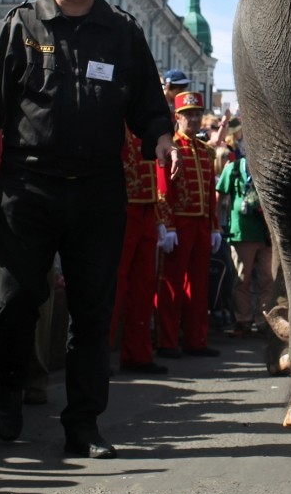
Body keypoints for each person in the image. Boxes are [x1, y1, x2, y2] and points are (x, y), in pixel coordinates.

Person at [0, 0, 175, 460]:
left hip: (98, 191)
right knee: (15, 300)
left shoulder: (122, 33)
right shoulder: (21, 25)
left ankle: (83, 425)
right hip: (27, 188)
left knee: (94, 312)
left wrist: (162, 139)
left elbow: (149, 105)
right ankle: (8, 387)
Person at [156, 90, 220, 359]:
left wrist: (215, 226)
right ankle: (168, 341)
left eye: (196, 115)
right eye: (187, 115)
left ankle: (197, 339)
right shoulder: (172, 147)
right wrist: (167, 225)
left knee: (199, 285)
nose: (193, 120)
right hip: (179, 225)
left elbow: (210, 190)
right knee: (172, 283)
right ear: (177, 118)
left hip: (201, 226)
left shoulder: (206, 151)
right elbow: (164, 190)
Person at [112, 124, 172, 375]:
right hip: (121, 208)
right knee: (115, 286)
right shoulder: (116, 115)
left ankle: (138, 354)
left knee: (144, 286)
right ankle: (98, 356)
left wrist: (160, 218)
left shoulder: (149, 119)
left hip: (148, 209)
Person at [217, 121, 272, 338]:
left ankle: (264, 321)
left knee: (267, 280)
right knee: (243, 279)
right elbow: (219, 195)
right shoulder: (232, 169)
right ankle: (243, 320)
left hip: (266, 234)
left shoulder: (268, 168)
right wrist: (215, 225)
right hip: (242, 234)